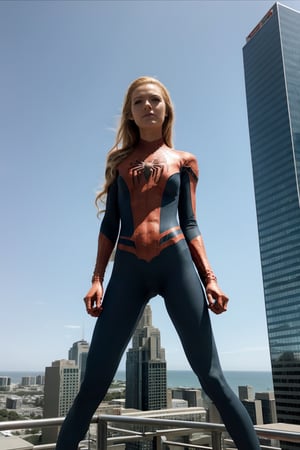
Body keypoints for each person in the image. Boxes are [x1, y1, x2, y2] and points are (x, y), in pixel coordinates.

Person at [56, 76, 260, 450]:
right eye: (138, 102)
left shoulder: (185, 162)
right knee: (95, 382)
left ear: (166, 108)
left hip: (175, 261)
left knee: (211, 376)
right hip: (128, 268)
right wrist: (97, 278)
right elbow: (110, 224)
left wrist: (210, 278)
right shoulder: (118, 163)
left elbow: (191, 223)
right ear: (130, 114)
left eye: (154, 100)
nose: (147, 106)